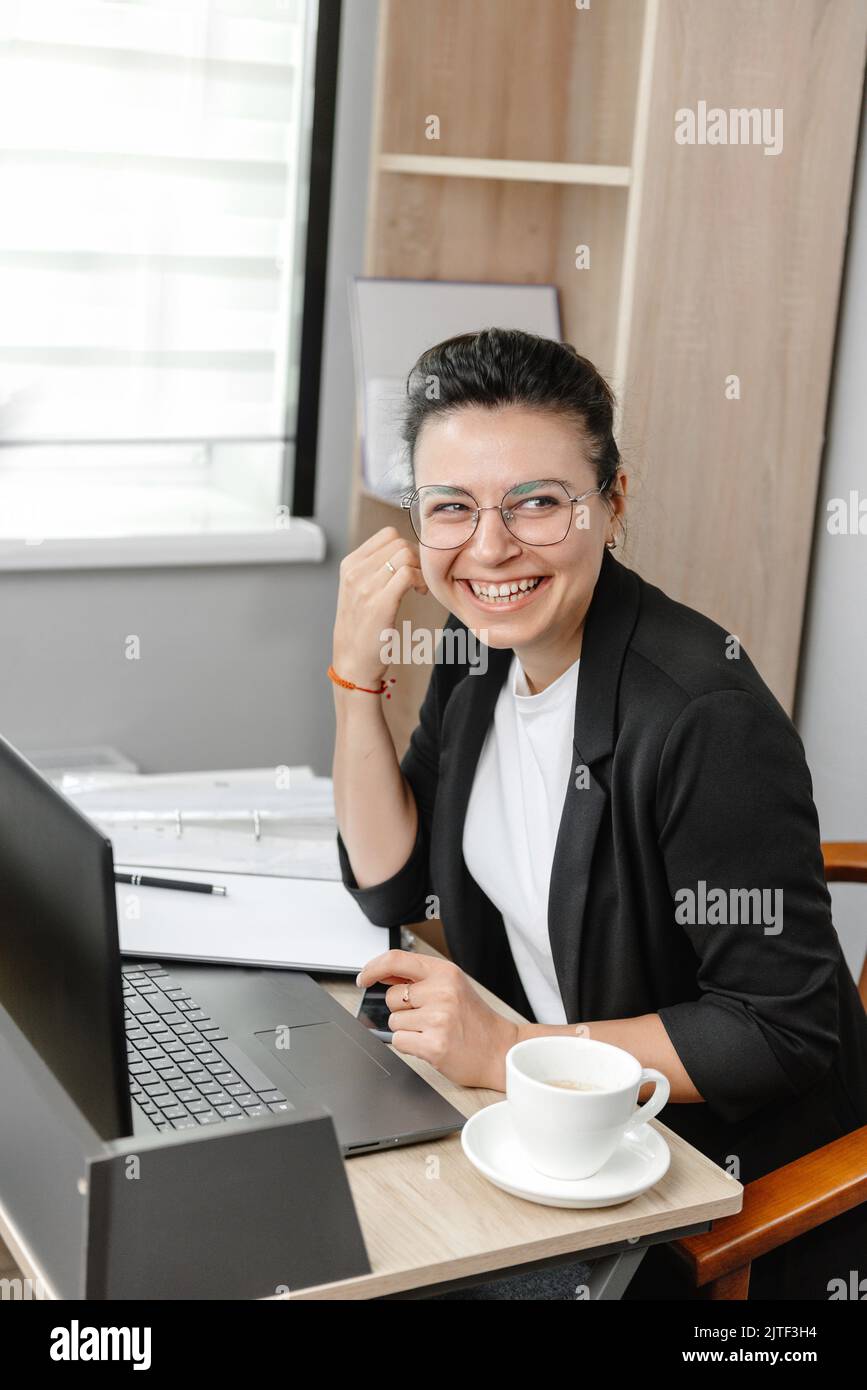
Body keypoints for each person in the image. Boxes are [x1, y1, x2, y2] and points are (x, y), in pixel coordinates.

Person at [330, 327, 867, 1300]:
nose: (489, 547)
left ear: (611, 503)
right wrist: (353, 678)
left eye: (535, 501)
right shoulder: (479, 653)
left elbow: (777, 1031)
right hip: (543, 1128)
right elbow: (391, 882)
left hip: (702, 1192)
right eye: (452, 506)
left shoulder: (705, 720)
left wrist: (506, 1049)